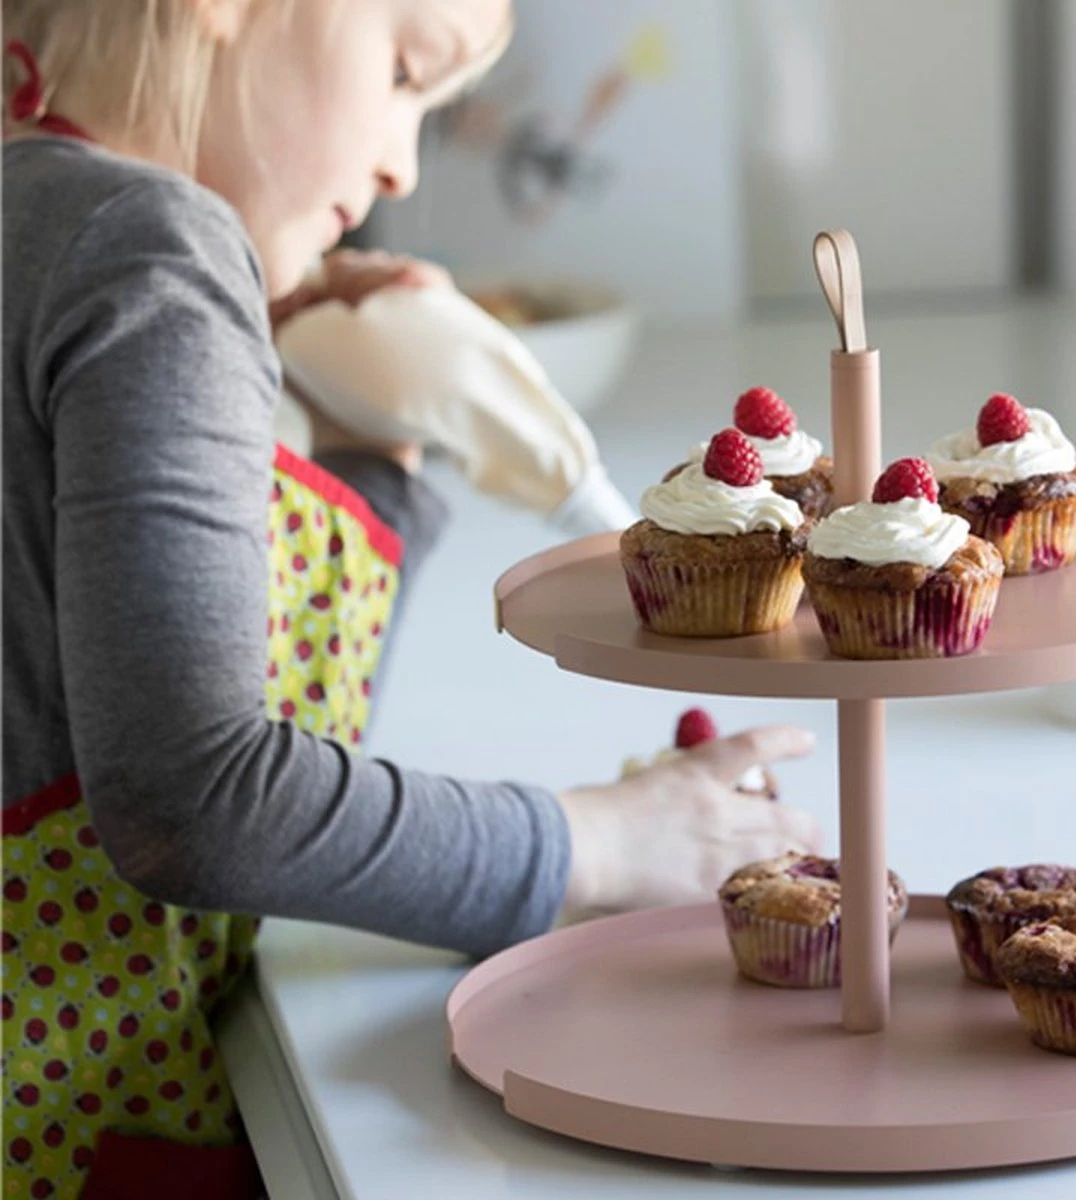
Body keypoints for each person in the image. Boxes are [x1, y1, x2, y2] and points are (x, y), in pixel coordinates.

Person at [1, 1, 820, 1195]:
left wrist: (376, 466)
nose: (403, 165)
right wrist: (599, 841)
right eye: (402, 73)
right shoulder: (152, 248)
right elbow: (203, 804)